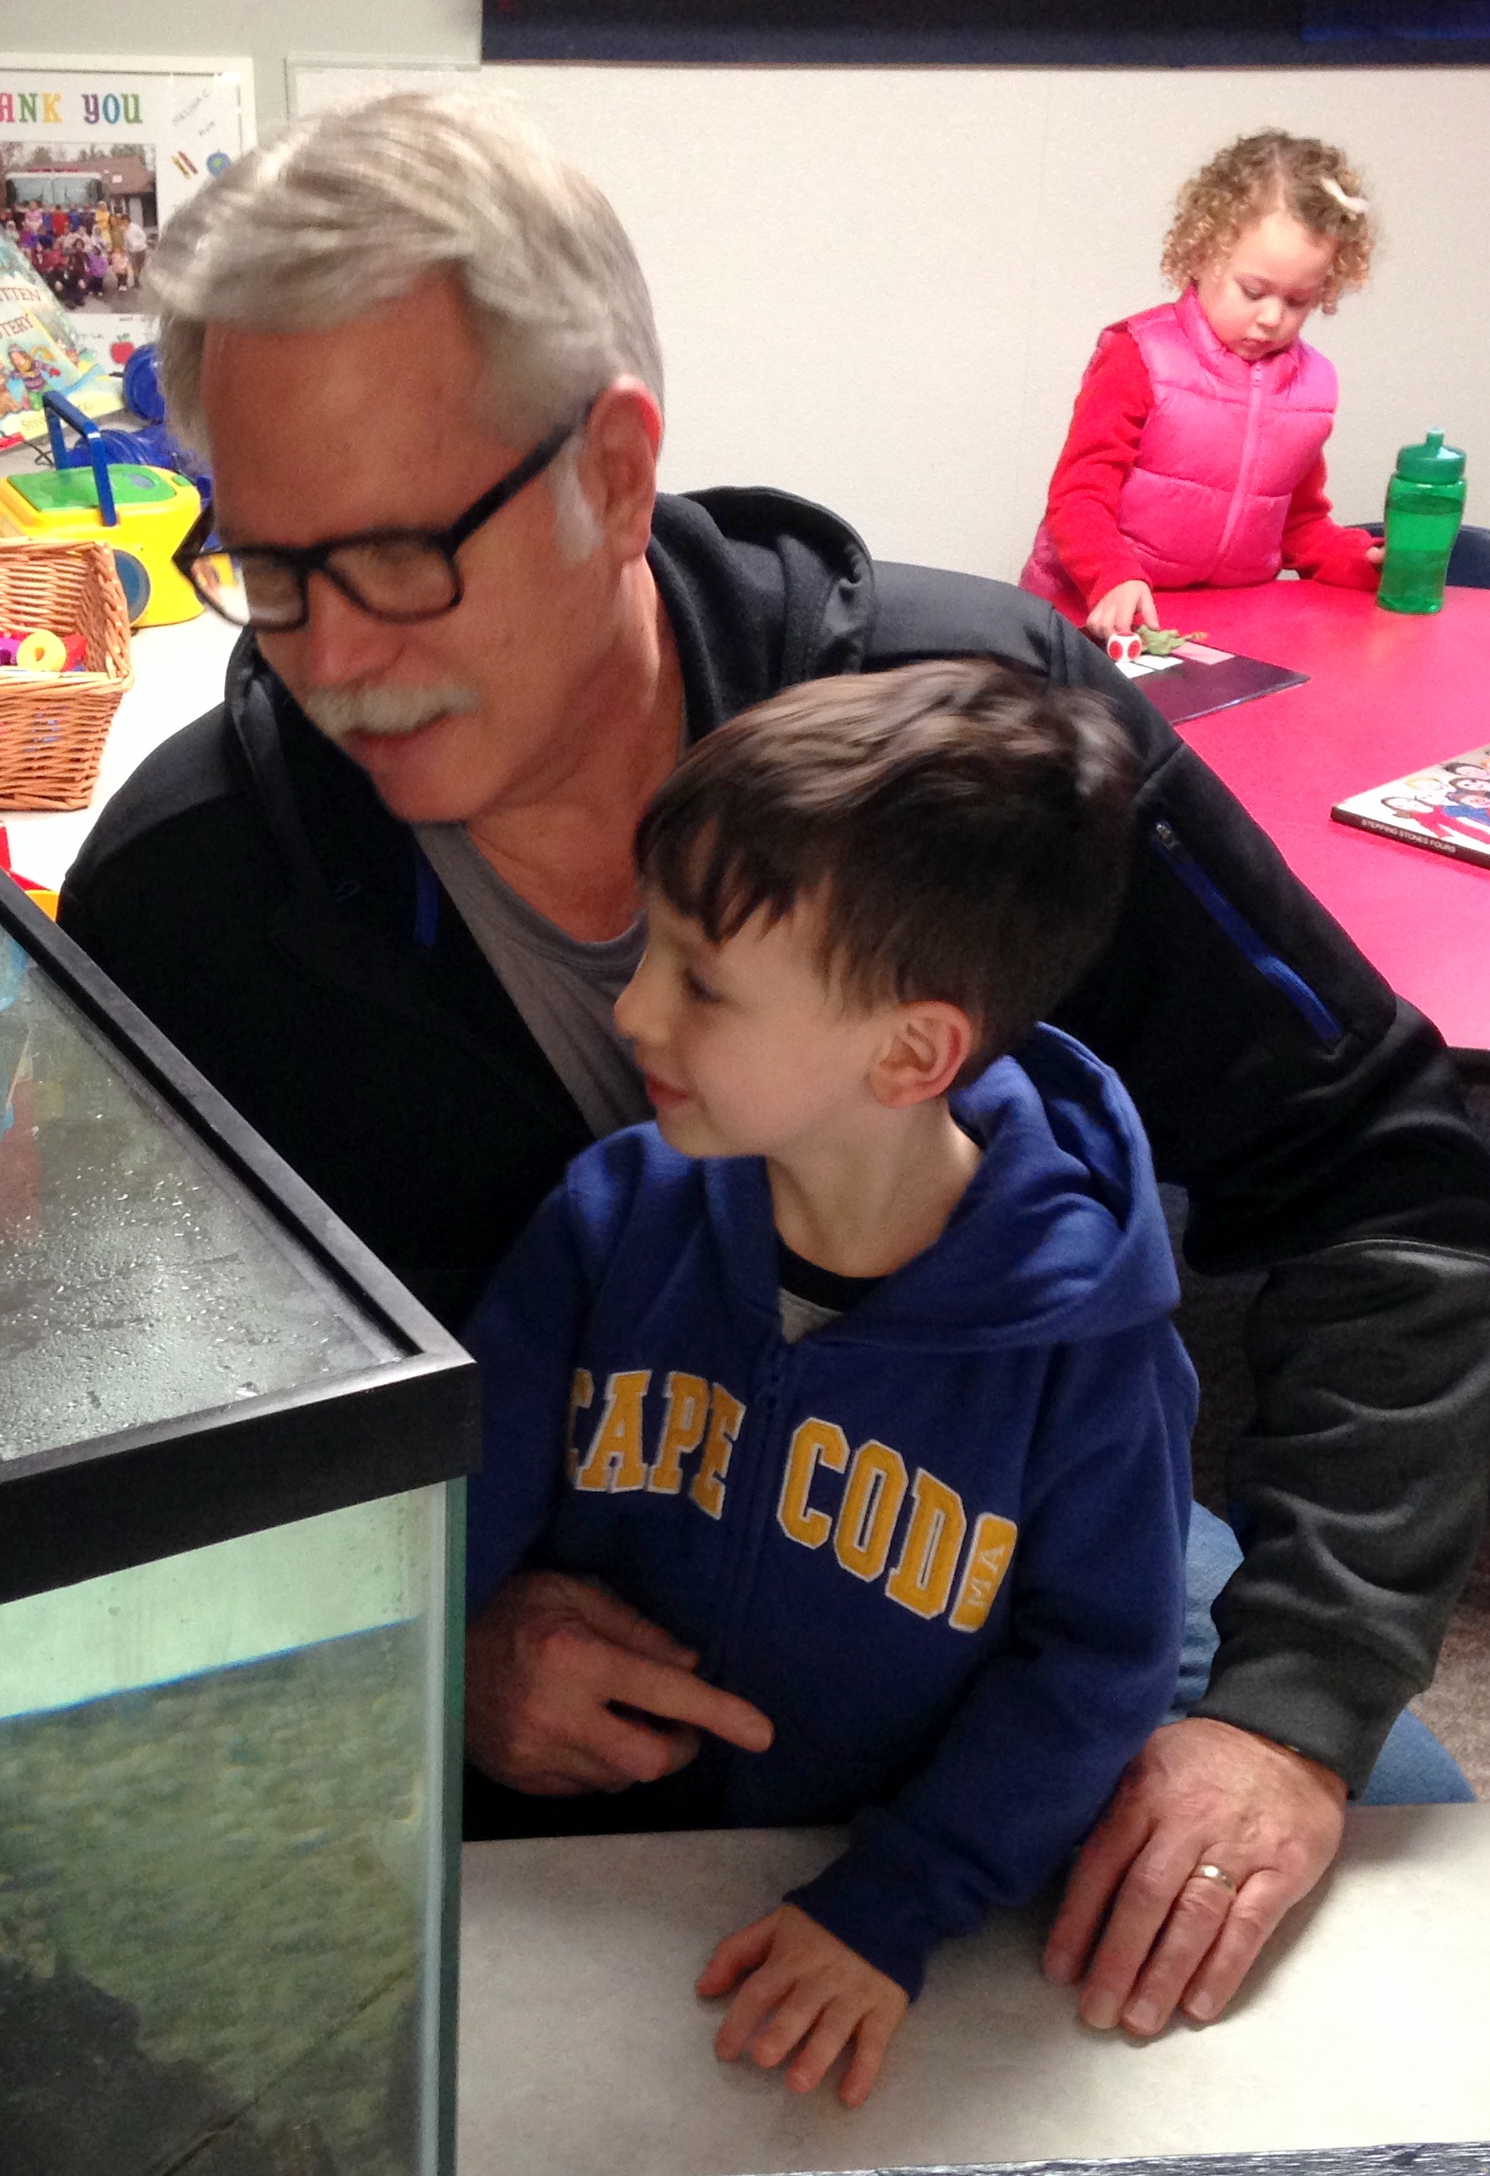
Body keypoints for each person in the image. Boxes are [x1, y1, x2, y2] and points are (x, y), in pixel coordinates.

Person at [56, 93, 1490, 2037]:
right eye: (268, 565)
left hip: (1010, 1577)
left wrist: (1293, 1705)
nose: (328, 658)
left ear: (615, 468)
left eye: (399, 556)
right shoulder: (188, 900)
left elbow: (1378, 1162)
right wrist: (423, 1638)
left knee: (1411, 1978)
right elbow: (125, 1450)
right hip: (497, 1647)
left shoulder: (983, 736)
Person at [465, 661, 1195, 2105]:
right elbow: (451, 1517)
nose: (634, 1014)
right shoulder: (609, 1218)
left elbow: (1095, 1667)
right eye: (650, 950)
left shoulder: (1088, 1355)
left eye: (702, 983)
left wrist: (899, 1896)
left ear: (913, 1051)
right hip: (554, 1873)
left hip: (864, 1898)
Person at [1022, 130, 1386, 645]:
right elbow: (1079, 495)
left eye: (1298, 300)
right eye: (1253, 291)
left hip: (1223, 627)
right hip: (1098, 616)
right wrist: (1112, 573)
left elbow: (1299, 525)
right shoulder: (1140, 355)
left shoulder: (1310, 388)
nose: (1272, 317)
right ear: (1201, 254)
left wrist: (1360, 561)